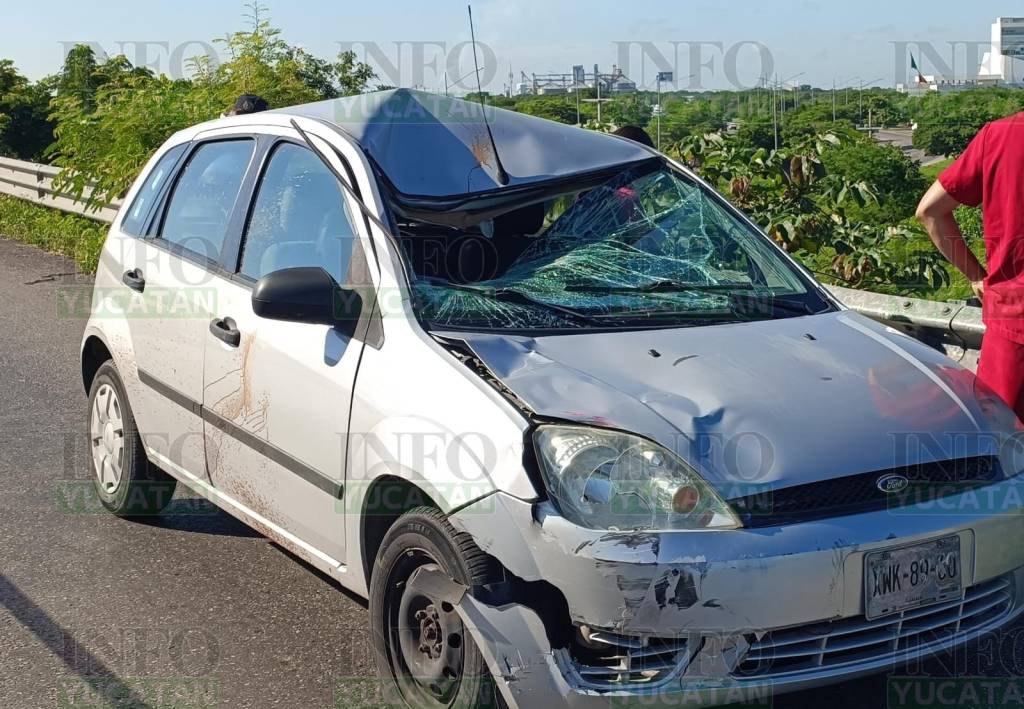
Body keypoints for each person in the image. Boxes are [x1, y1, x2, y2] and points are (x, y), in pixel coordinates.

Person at [916, 114, 1024, 418]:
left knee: (1001, 437)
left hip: (1012, 329)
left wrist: (976, 277)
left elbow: (929, 211)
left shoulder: (1001, 135)